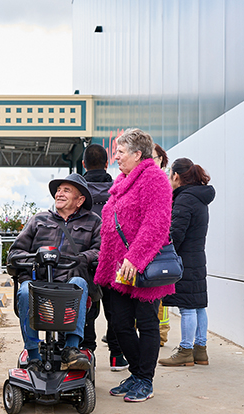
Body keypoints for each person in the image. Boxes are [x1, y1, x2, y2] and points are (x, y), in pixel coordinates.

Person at [94, 128, 174, 403]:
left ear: (137, 154)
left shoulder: (154, 179)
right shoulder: (122, 181)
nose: (115, 156)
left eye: (120, 151)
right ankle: (137, 373)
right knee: (119, 322)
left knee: (147, 322)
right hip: (117, 268)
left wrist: (135, 258)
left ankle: (145, 378)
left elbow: (157, 223)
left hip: (141, 265)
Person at [8, 173, 101, 371]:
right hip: (39, 283)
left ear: (80, 199)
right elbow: (15, 252)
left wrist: (82, 258)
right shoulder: (39, 219)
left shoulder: (93, 221)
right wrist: (36, 260)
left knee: (80, 283)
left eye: (66, 190)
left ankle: (72, 349)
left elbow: (100, 251)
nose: (59, 194)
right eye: (58, 190)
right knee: (25, 291)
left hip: (69, 284)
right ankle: (33, 354)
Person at [158, 158, 215, 367]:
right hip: (197, 256)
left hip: (184, 259)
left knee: (187, 307)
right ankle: (201, 350)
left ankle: (185, 350)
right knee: (199, 305)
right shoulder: (199, 197)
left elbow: (176, 234)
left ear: (176, 176)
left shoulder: (185, 198)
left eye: (170, 175)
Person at [82, 144, 128, 372]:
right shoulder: (118, 189)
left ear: (83, 165)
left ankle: (86, 353)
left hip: (85, 256)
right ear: (107, 163)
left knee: (86, 306)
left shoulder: (77, 192)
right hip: (114, 257)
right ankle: (117, 356)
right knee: (115, 308)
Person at [152, 143, 171, 346]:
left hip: (161, 250)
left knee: (160, 299)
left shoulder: (163, 183)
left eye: (155, 157)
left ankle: (161, 334)